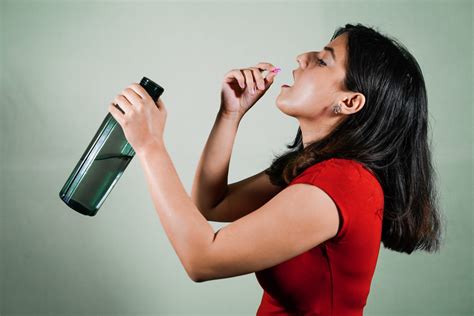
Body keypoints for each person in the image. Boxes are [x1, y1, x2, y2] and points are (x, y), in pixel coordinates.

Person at [108, 23, 443, 316]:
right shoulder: (315, 168)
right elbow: (210, 203)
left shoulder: (344, 183)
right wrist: (230, 114)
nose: (302, 58)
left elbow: (201, 259)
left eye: (323, 60)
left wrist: (150, 144)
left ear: (350, 102)